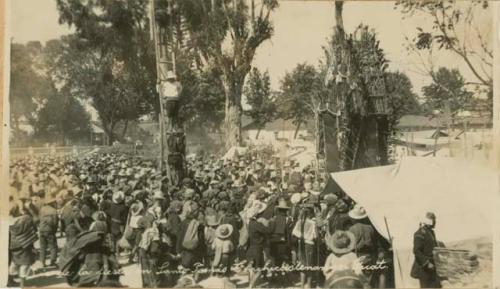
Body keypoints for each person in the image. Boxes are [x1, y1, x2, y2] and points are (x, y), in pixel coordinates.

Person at [9, 201, 38, 287]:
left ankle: (9, 279)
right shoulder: (26, 218)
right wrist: (29, 208)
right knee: (25, 263)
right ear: (18, 210)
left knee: (15, 262)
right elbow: (36, 219)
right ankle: (22, 285)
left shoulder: (9, 220)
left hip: (13, 245)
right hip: (24, 244)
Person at [411, 212, 441, 288]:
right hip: (424, 269)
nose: (435, 222)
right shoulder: (419, 233)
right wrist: (427, 263)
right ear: (429, 221)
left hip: (433, 267)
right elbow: (417, 251)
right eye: (434, 219)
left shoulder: (431, 232)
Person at [38, 195, 59, 268]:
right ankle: (53, 261)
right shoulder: (54, 211)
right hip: (49, 230)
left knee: (42, 247)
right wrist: (54, 230)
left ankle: (42, 262)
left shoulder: (42, 209)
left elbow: (39, 219)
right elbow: (55, 222)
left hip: (41, 230)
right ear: (52, 203)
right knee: (53, 246)